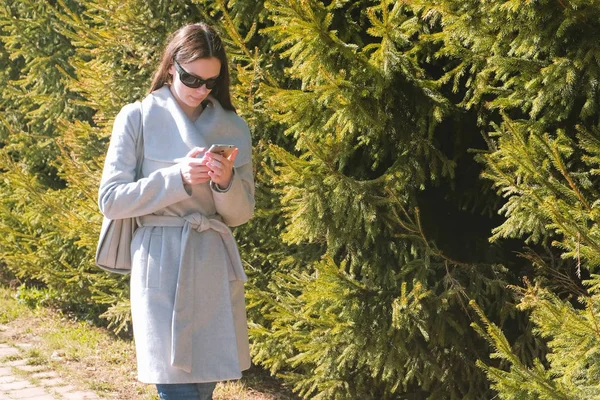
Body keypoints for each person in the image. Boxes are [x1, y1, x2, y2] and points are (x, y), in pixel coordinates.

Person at [98, 23, 254, 400]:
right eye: (192, 78)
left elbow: (241, 214)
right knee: (177, 390)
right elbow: (111, 199)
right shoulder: (136, 117)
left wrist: (224, 182)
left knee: (203, 389)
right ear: (171, 67)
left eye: (211, 82)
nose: (201, 90)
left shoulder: (234, 127)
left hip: (212, 260)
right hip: (160, 259)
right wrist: (177, 178)